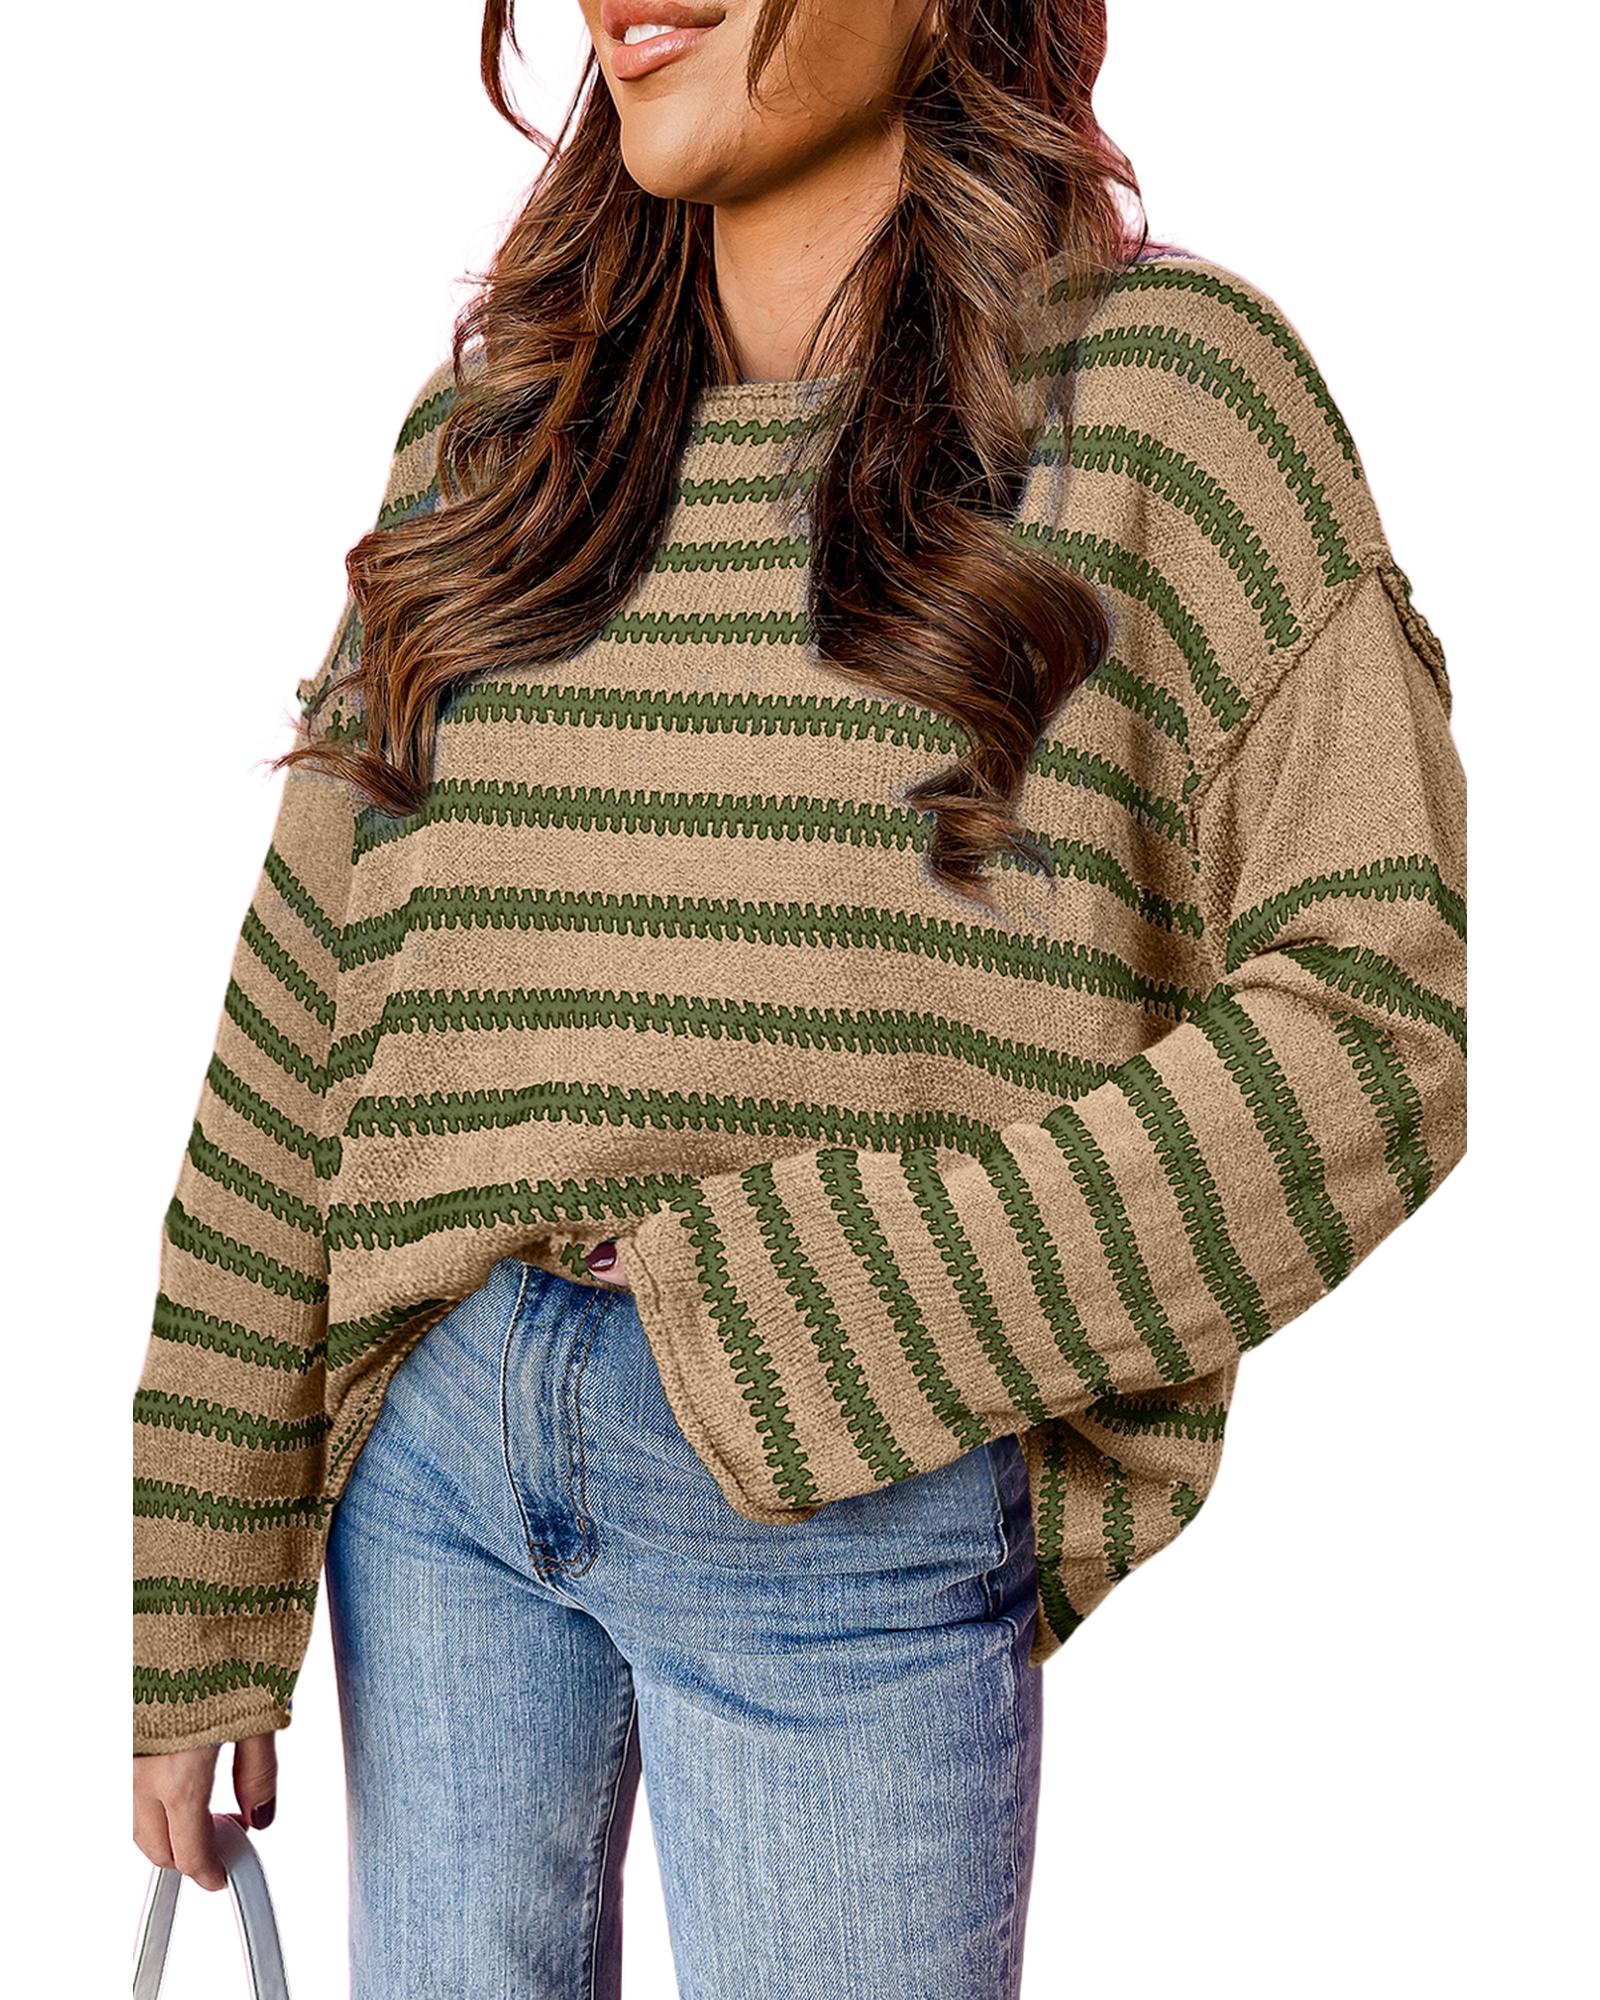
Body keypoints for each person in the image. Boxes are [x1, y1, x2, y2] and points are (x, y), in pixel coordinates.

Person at [131, 2, 1469, 1994]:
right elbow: (300, 1022)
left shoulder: (1169, 400)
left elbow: (1378, 1018)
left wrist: (862, 1302)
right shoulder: (496, 442)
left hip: (844, 1477)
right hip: (431, 1469)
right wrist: (198, 1586)